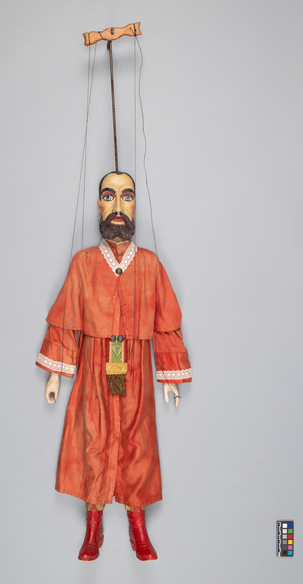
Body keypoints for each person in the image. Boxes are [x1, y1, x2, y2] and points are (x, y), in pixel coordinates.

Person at [36, 171, 191, 561]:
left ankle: (138, 525)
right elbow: (67, 319)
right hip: (95, 364)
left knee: (139, 441)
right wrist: (55, 374)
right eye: (109, 196)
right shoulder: (84, 263)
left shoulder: (150, 265)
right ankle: (94, 525)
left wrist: (169, 376)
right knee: (93, 438)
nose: (118, 205)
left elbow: (166, 322)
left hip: (135, 366)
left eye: (127, 196)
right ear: (98, 205)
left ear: (135, 205)